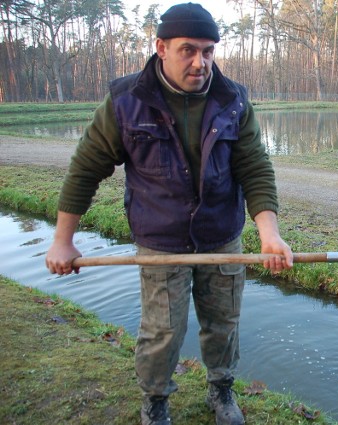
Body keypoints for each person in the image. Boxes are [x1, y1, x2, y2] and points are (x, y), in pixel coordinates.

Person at [45, 3, 293, 424]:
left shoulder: (232, 98)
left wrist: (269, 233)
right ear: (161, 47)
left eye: (209, 51)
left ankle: (221, 391)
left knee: (224, 324)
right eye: (188, 50)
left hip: (221, 236)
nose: (201, 63)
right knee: (162, 332)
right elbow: (86, 168)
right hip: (160, 241)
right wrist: (62, 240)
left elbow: (254, 166)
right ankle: (156, 401)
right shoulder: (126, 101)